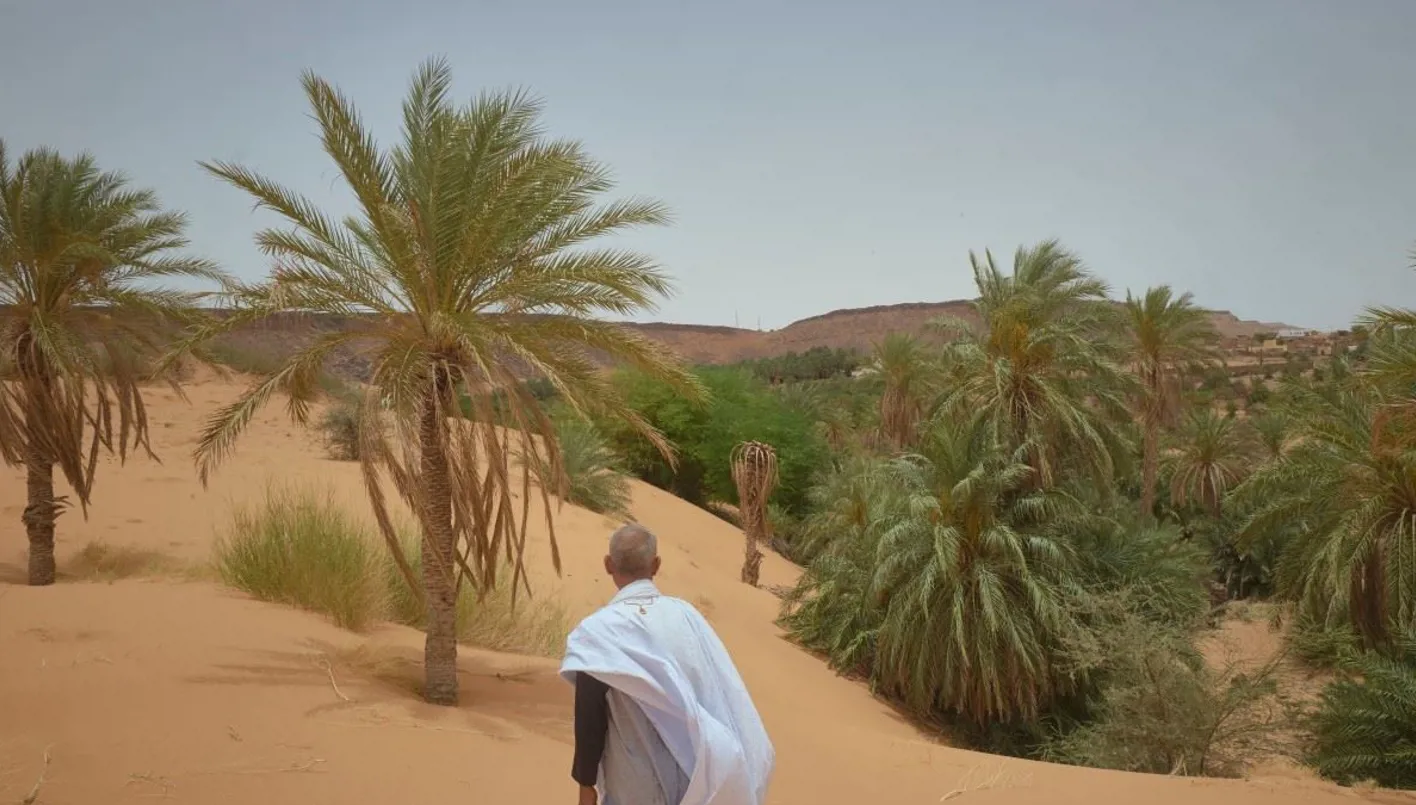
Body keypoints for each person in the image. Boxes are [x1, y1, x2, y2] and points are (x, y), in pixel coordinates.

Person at [560, 524, 775, 805]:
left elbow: (590, 717)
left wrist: (586, 786)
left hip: (633, 787)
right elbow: (721, 691)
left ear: (608, 565)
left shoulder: (598, 632)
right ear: (656, 565)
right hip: (695, 782)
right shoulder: (687, 617)